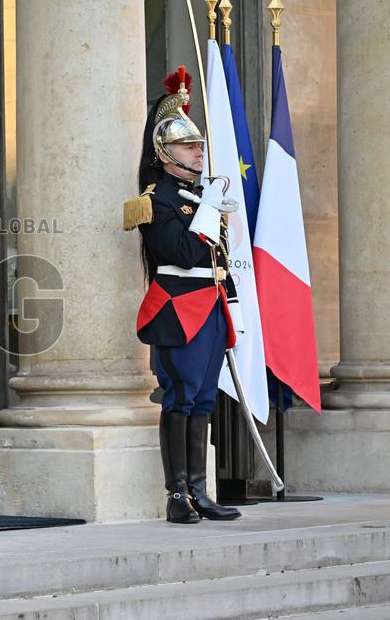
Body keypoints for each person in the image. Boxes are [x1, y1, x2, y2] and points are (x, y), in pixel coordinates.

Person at [124, 67, 242, 524]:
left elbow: (218, 262)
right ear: (164, 153)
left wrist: (233, 309)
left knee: (205, 400)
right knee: (181, 398)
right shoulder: (157, 200)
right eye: (188, 146)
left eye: (198, 145)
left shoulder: (198, 196)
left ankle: (199, 490)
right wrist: (207, 210)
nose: (198, 151)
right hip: (178, 309)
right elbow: (185, 254)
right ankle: (177, 495)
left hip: (210, 308)